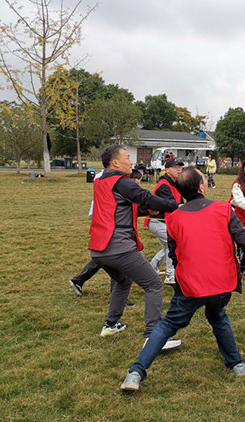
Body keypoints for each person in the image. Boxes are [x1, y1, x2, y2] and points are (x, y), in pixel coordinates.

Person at [120, 167, 245, 391]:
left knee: (179, 323)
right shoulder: (220, 210)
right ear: (202, 187)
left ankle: (136, 372)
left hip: (198, 285)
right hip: (214, 285)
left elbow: (175, 255)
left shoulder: (180, 217)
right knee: (213, 316)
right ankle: (235, 363)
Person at [88, 145, 180, 348]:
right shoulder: (121, 182)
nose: (131, 161)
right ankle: (154, 336)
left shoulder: (101, 181)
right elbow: (145, 197)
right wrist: (175, 206)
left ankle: (111, 325)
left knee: (123, 281)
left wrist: (147, 211)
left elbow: (118, 209)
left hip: (98, 250)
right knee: (154, 283)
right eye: (128, 157)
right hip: (118, 247)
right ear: (115, 163)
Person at [70, 170, 141, 299]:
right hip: (106, 222)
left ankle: (79, 280)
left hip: (108, 222)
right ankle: (117, 297)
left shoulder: (114, 179)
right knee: (112, 258)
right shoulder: (107, 179)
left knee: (105, 258)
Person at [146, 158, 184, 285]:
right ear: (167, 170)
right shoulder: (164, 185)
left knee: (166, 247)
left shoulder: (175, 183)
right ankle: (170, 274)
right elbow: (172, 204)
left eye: (180, 167)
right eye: (175, 167)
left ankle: (151, 269)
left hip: (165, 222)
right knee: (173, 245)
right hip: (158, 221)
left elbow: (181, 203)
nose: (179, 170)